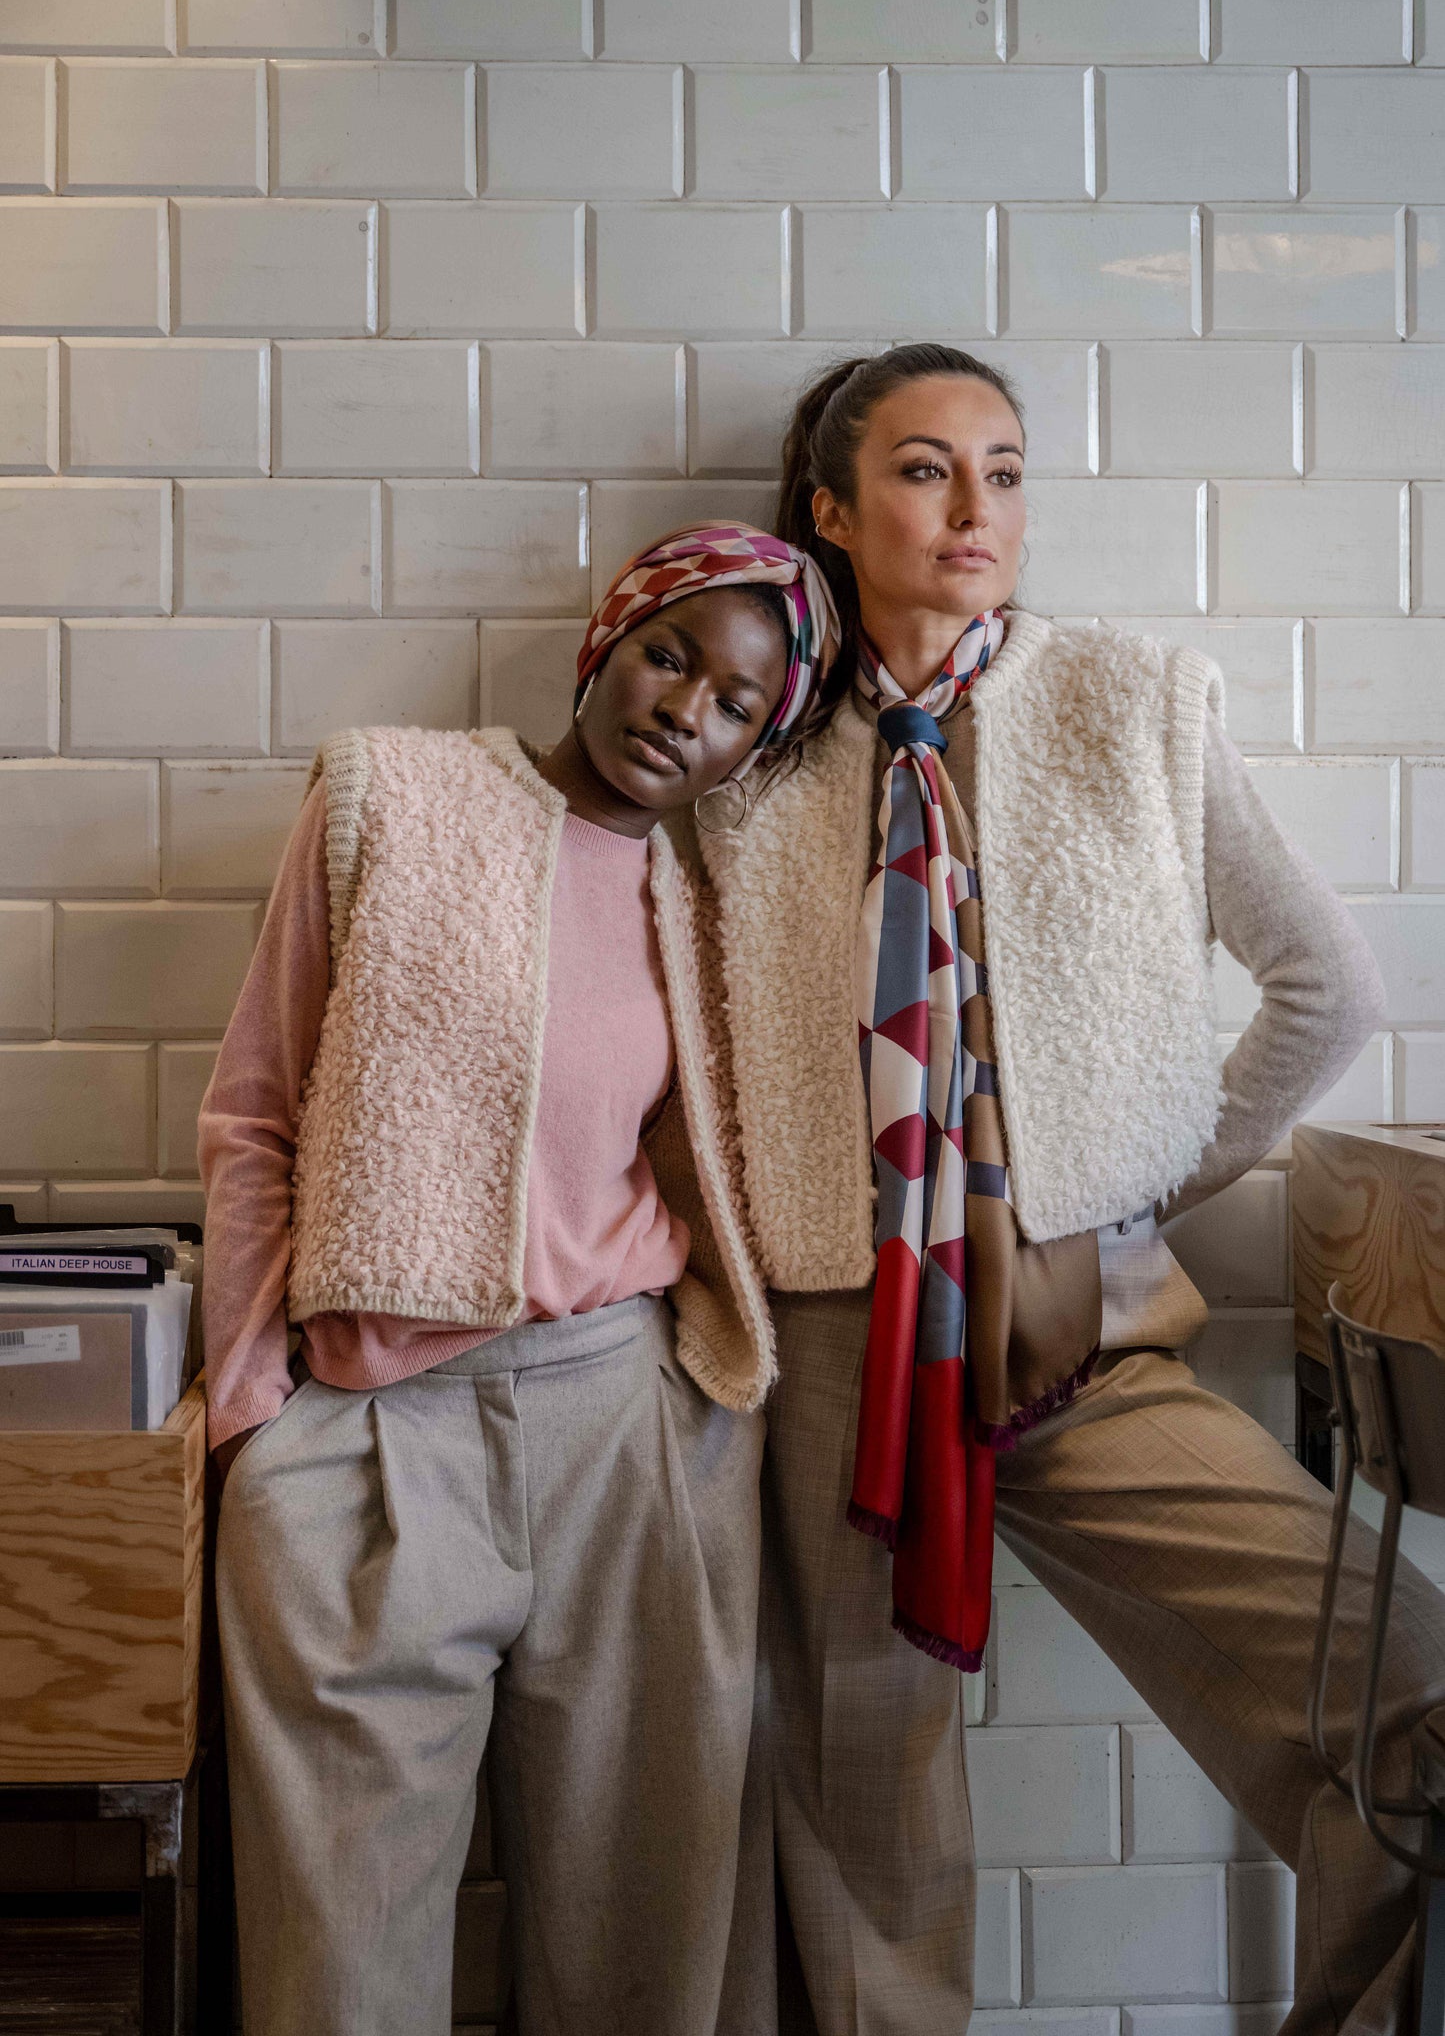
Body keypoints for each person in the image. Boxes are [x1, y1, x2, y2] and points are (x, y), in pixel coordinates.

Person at [699, 344, 1445, 2035]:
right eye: (922, 469)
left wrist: (1124, 1192)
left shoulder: (1129, 697)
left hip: (1080, 1354)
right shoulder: (750, 734)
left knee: (1410, 1697)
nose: (976, 509)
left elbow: (1325, 988)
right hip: (834, 1364)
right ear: (830, 508)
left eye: (1007, 469)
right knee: (857, 1812)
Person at [198, 524, 838, 2036]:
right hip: (370, 1434)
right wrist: (252, 1416)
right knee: (337, 1963)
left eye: (739, 703)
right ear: (607, 643)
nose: (687, 708)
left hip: (627, 1429)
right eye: (671, 654)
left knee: (646, 1944)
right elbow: (254, 1106)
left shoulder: (706, 903)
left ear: (756, 743)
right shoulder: (391, 795)